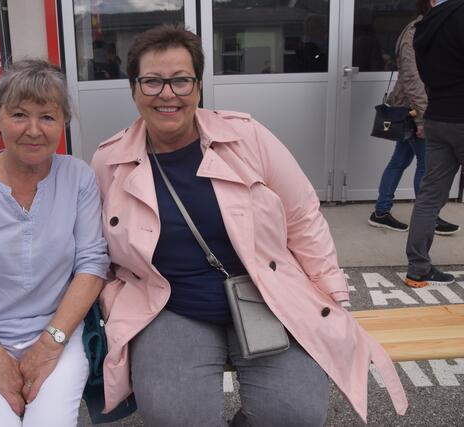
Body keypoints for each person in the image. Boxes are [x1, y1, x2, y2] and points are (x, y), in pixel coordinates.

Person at [91, 24, 408, 426]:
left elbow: (303, 216)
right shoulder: (109, 161)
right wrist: (109, 300)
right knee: (175, 417)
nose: (167, 94)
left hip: (265, 295)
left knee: (295, 415)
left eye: (181, 80)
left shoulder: (246, 137)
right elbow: (97, 251)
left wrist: (333, 296)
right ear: (133, 89)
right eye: (152, 81)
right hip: (168, 307)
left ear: (198, 87)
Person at [0, 59, 109, 426]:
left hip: (57, 330)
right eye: (19, 115)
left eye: (47, 117)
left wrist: (51, 342)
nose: (33, 130)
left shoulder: (78, 177)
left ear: (63, 121)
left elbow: (92, 264)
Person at [368, 0, 459, 235]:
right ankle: (428, 217)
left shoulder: (427, 27)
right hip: (415, 110)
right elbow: (412, 79)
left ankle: (381, 211)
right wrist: (421, 118)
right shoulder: (417, 30)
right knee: (426, 165)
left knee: (400, 160)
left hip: (414, 108)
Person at [405, 0, 464, 287]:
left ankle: (418, 268)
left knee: (429, 196)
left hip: (437, 117)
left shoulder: (423, 26)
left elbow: (424, 75)